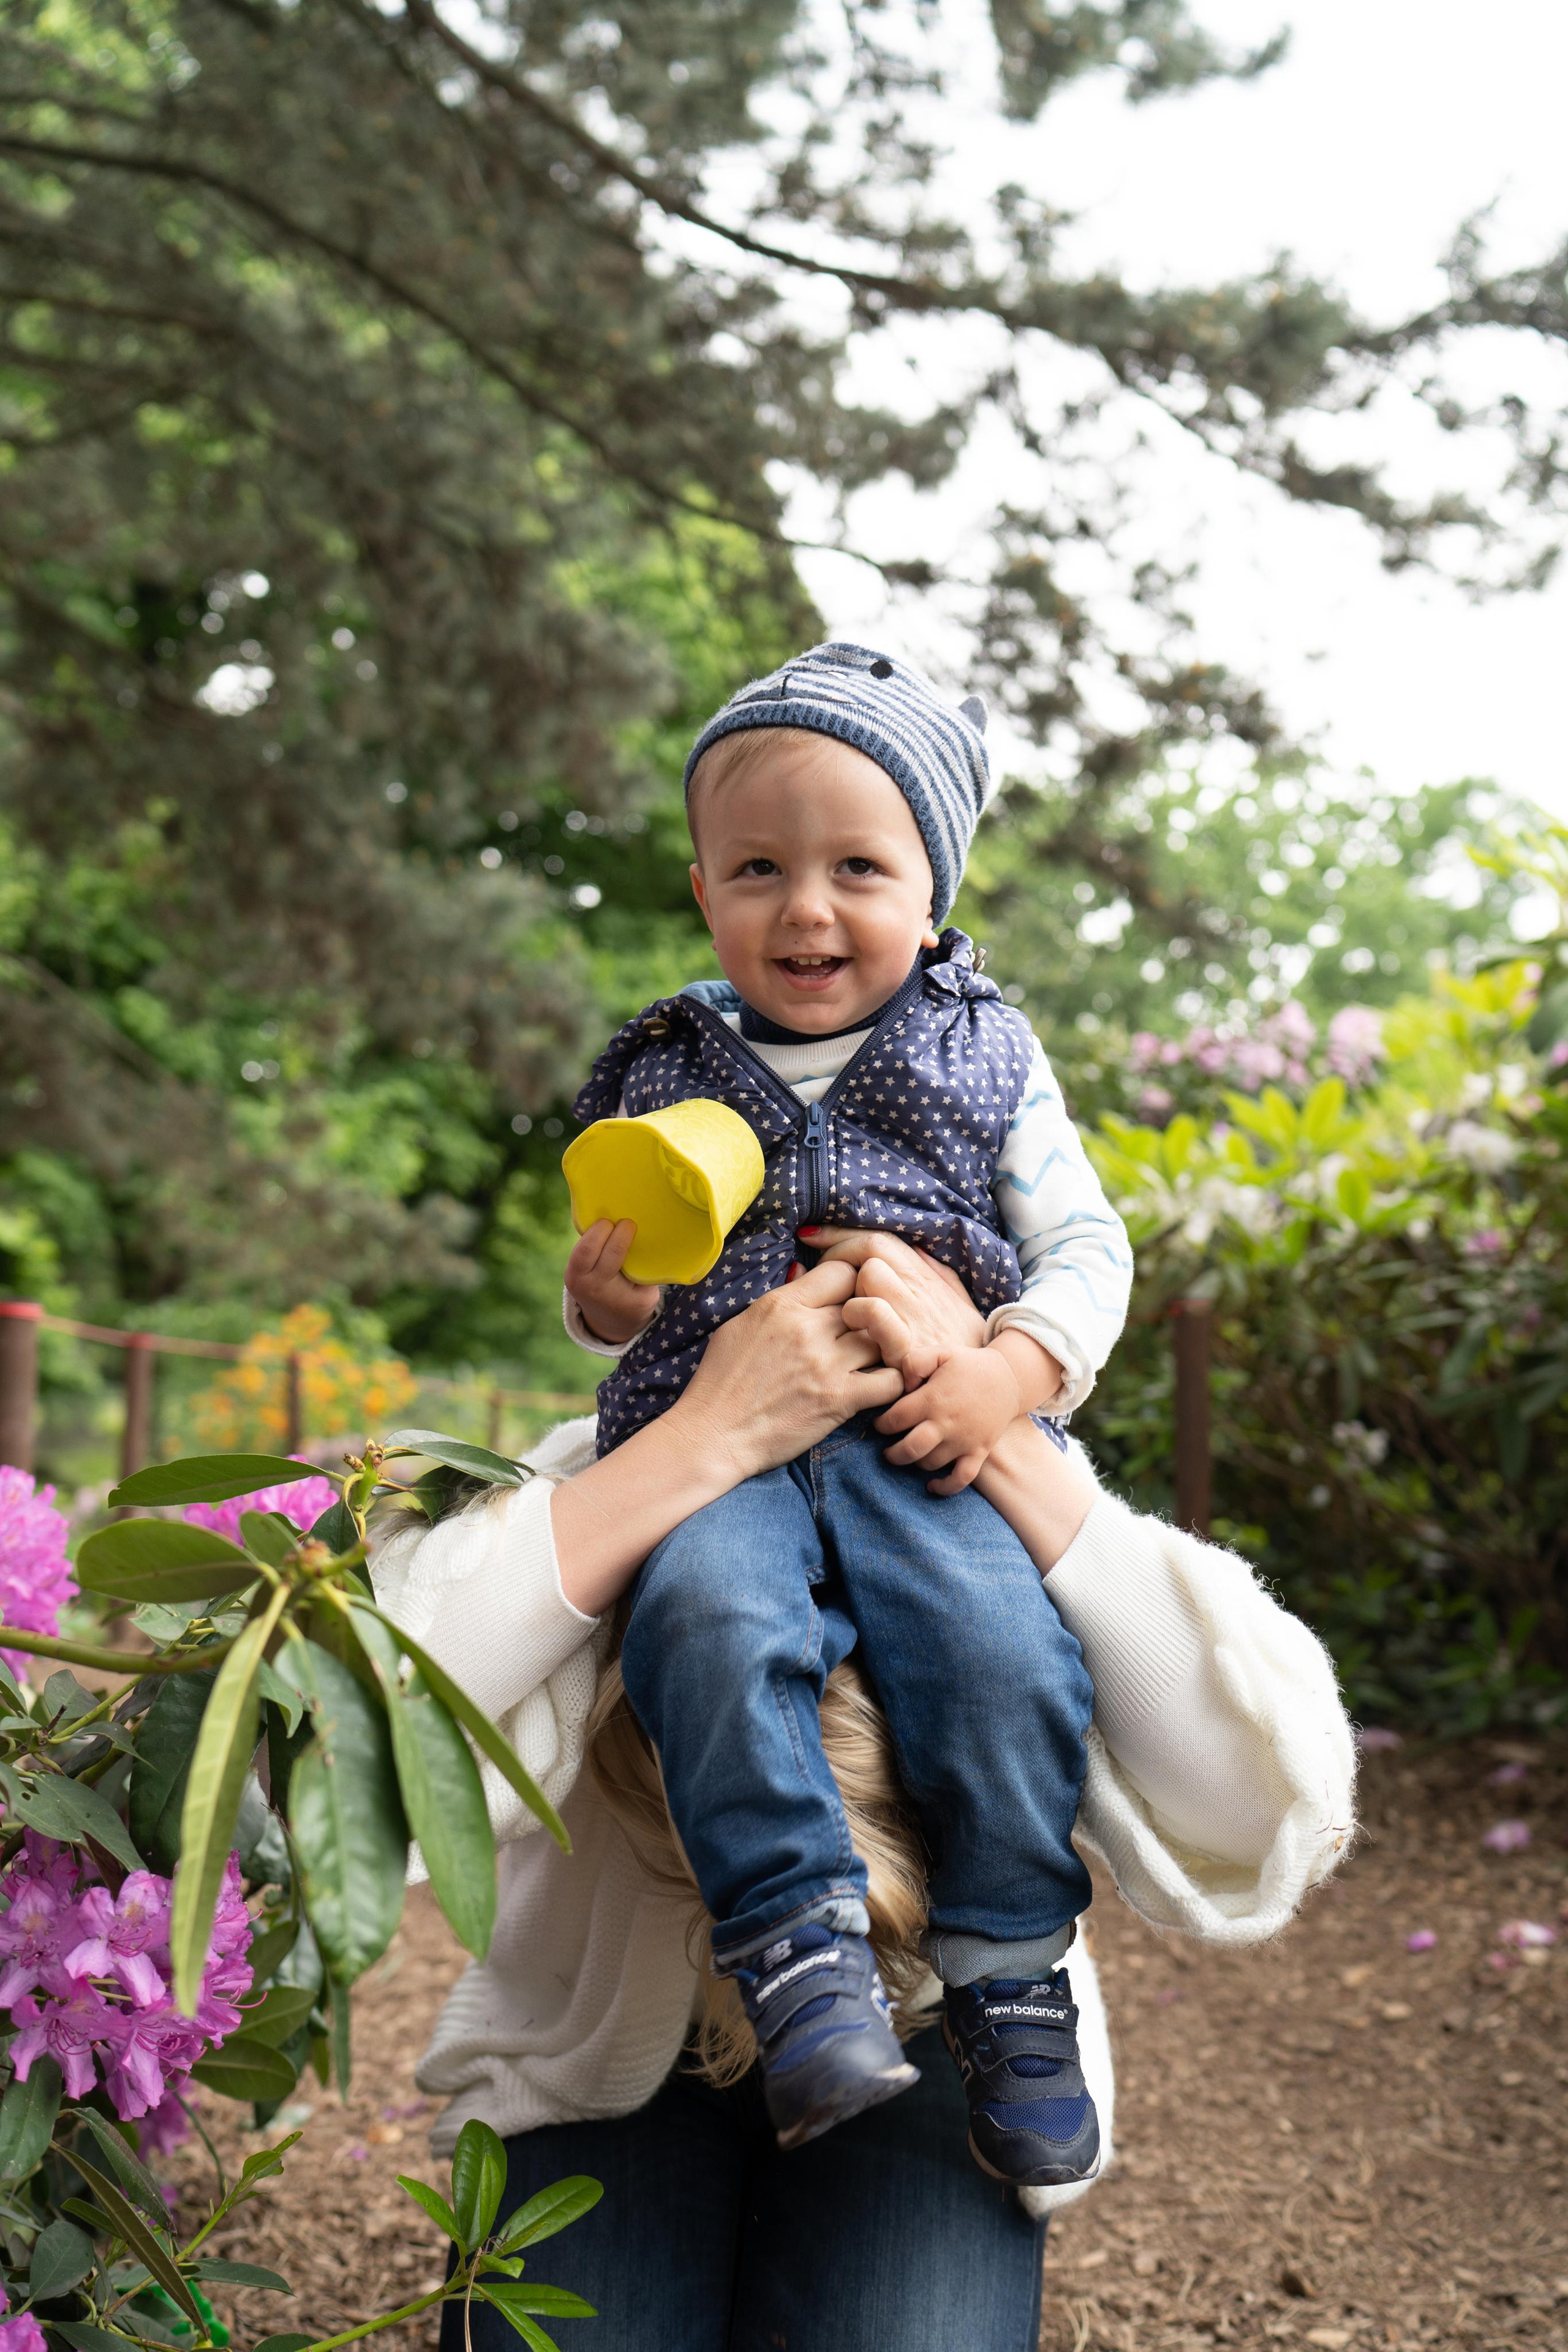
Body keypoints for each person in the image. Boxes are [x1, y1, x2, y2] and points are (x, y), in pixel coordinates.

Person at [373, 1235, 1355, 2352]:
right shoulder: (597, 1508)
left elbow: (1286, 1805)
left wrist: (1002, 1429)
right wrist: (701, 1439)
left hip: (947, 2033)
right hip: (598, 2051)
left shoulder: (1010, 1577)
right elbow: (303, 1764)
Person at [560, 644, 1136, 2182]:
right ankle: (794, 1947)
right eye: (759, 867)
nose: (805, 907)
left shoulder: (985, 1054)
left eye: (856, 868)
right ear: (700, 894)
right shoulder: (668, 1064)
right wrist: (605, 1304)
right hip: (717, 1445)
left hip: (914, 1439)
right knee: (700, 1623)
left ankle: (1009, 1970)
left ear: (931, 895)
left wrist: (1013, 1372)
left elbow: (1086, 1248)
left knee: (1002, 1650)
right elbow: (619, 1275)